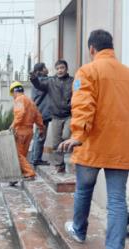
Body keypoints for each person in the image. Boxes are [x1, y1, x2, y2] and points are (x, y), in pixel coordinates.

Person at [59, 29, 129, 249]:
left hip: (91, 145)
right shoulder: (127, 73)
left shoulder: (87, 71)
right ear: (112, 48)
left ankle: (79, 230)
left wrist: (77, 135)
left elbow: (83, 105)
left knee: (83, 190)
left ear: (92, 48)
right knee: (117, 200)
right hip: (121, 146)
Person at [30, 59, 73, 173]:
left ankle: (66, 156)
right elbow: (39, 85)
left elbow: (79, 92)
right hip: (56, 116)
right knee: (55, 143)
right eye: (58, 68)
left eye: (62, 68)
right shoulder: (50, 81)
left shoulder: (73, 81)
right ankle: (59, 165)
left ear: (66, 69)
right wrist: (34, 79)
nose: (60, 70)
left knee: (66, 136)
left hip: (69, 115)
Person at [9, 81, 44, 181]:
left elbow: (20, 114)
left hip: (20, 131)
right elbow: (38, 117)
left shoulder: (19, 99)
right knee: (23, 154)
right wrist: (41, 128)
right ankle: (20, 173)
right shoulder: (30, 102)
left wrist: (12, 125)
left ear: (13, 92)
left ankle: (29, 172)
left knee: (17, 154)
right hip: (29, 131)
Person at [30, 63, 51, 167]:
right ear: (42, 70)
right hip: (42, 113)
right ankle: (36, 159)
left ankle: (34, 158)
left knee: (38, 135)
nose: (47, 69)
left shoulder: (38, 81)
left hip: (38, 112)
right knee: (40, 136)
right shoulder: (43, 81)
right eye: (45, 67)